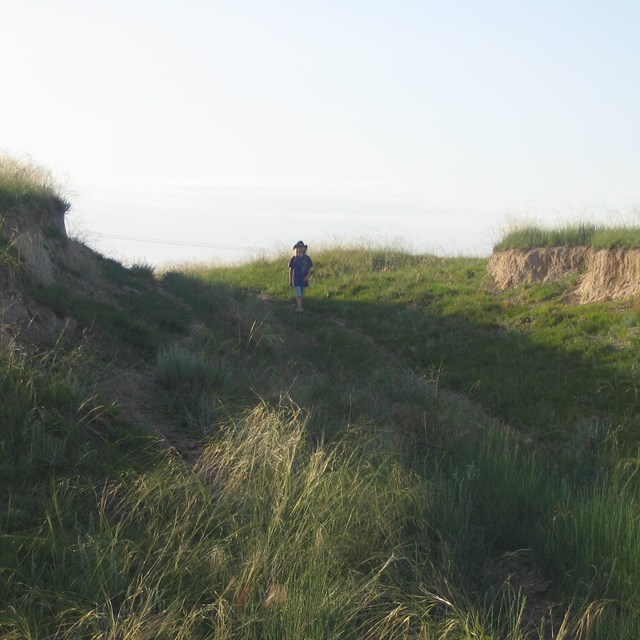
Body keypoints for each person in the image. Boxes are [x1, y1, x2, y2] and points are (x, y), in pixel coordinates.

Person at [288, 240, 313, 313]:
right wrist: (290, 280)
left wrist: (307, 277)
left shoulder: (307, 258)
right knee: (298, 294)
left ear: (304, 248)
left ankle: (298, 308)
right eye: (299, 247)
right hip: (296, 279)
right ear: (297, 248)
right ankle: (300, 309)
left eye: (302, 247)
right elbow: (291, 270)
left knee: (302, 295)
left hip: (304, 280)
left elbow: (311, 269)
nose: (300, 249)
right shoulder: (294, 259)